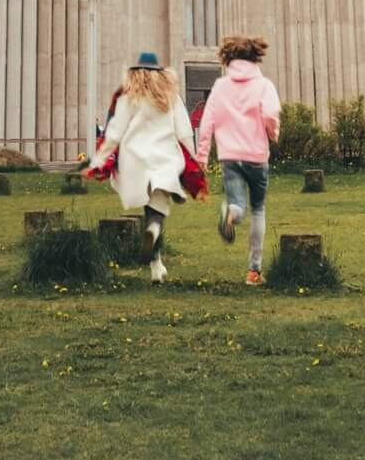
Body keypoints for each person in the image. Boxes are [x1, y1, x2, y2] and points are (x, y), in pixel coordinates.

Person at [85, 52, 205, 282]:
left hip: (135, 160)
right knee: (157, 210)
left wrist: (100, 159)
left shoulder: (128, 97)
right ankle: (153, 237)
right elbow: (184, 130)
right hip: (164, 159)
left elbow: (115, 131)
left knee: (148, 207)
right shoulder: (170, 96)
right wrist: (194, 159)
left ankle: (156, 265)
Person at [196, 33, 281, 288]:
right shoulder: (264, 85)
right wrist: (272, 134)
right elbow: (271, 114)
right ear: (255, 56)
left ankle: (230, 213)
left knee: (237, 204)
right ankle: (253, 272)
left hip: (229, 156)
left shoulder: (220, 86)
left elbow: (206, 121)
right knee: (258, 210)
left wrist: (201, 156)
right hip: (256, 155)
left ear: (228, 58)